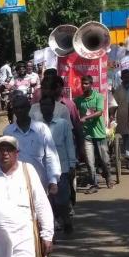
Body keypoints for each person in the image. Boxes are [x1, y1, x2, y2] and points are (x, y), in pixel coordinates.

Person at [3, 94, 61, 193]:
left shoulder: (41, 129)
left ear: (28, 108)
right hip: (16, 183)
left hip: (39, 182)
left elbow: (51, 155)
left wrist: (53, 180)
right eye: (16, 108)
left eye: (22, 107)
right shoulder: (8, 132)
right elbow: (5, 157)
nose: (19, 111)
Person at [37, 94, 75, 233]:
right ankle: (50, 229)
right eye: (43, 105)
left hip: (62, 167)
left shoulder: (62, 124)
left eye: (48, 105)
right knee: (47, 201)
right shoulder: (37, 126)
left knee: (62, 200)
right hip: (42, 168)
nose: (46, 107)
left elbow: (69, 145)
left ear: (53, 107)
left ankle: (66, 220)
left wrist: (72, 164)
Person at [75, 75, 112, 193]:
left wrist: (85, 118)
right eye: (82, 84)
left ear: (91, 85)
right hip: (87, 135)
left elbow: (100, 112)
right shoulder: (78, 100)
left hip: (99, 134)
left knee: (104, 160)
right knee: (90, 162)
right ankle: (94, 184)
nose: (84, 86)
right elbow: (74, 112)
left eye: (86, 84)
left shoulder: (98, 97)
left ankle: (108, 176)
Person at [113, 69, 129, 165]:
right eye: (125, 77)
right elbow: (114, 104)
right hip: (121, 117)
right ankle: (128, 157)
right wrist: (112, 115)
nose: (127, 79)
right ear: (121, 78)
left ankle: (128, 154)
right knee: (125, 137)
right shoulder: (118, 89)